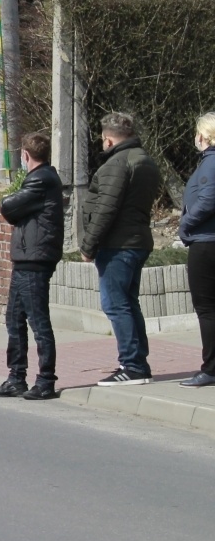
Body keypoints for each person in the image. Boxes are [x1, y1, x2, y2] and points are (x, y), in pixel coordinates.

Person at [78, 111, 161, 386]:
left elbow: (106, 208)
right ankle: (138, 364)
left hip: (118, 244)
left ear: (108, 140)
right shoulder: (144, 159)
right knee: (128, 303)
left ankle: (132, 365)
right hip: (137, 241)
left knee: (115, 304)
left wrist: (89, 245)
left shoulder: (117, 164)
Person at [0, 133, 65, 400]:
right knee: (14, 319)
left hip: (35, 259)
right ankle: (16, 377)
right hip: (26, 258)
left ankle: (46, 380)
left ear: (25, 155)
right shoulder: (42, 178)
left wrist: (9, 201)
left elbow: (8, 206)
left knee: (38, 321)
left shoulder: (40, 179)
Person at [178, 112, 215, 388]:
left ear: (204, 135)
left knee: (207, 308)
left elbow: (208, 199)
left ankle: (211, 368)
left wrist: (186, 223)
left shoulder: (211, 163)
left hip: (206, 242)